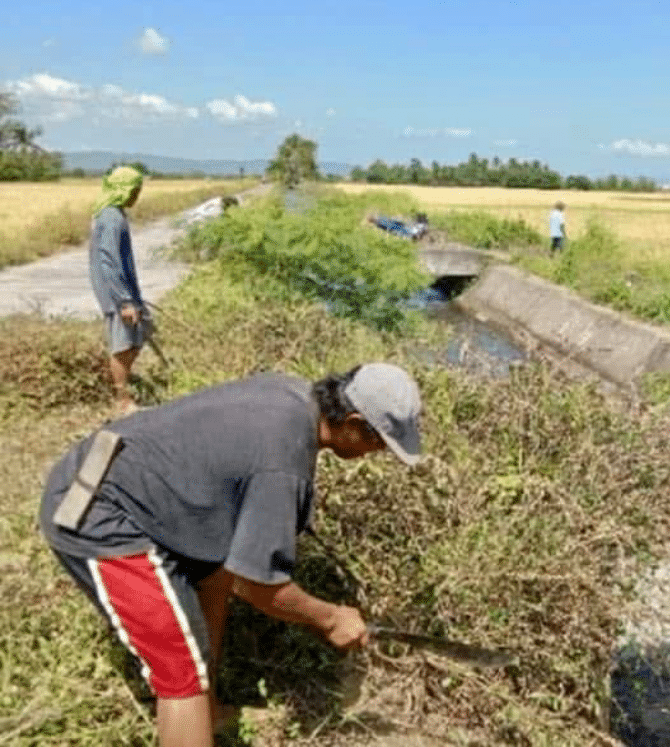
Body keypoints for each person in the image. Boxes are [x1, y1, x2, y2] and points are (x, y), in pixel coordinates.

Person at [39, 363, 423, 747]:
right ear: (353, 423)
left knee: (217, 574)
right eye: (379, 444)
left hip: (119, 470)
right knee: (180, 669)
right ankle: (193, 707)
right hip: (96, 509)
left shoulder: (292, 394)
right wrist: (330, 618)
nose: (375, 454)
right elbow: (259, 585)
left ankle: (207, 714)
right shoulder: (283, 463)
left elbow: (238, 566)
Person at [89, 166, 150, 414]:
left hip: (122, 291)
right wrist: (124, 301)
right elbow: (109, 261)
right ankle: (123, 400)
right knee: (123, 345)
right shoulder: (112, 218)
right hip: (117, 294)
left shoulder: (112, 213)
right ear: (125, 190)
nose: (137, 195)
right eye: (135, 190)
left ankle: (123, 386)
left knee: (138, 334)